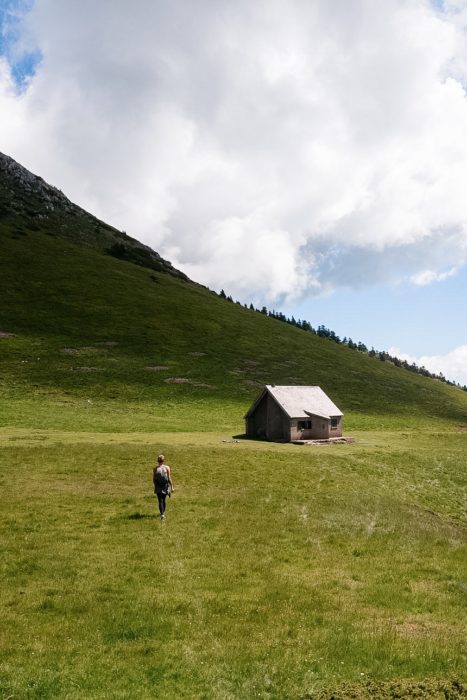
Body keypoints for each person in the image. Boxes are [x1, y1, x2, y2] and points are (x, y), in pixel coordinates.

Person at [153, 454, 174, 521]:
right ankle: (163, 513)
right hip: (165, 485)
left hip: (158, 486)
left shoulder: (155, 469)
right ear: (163, 460)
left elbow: (154, 479)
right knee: (164, 500)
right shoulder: (167, 467)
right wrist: (172, 487)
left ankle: (162, 514)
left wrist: (155, 486)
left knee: (160, 501)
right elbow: (169, 478)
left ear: (157, 461)